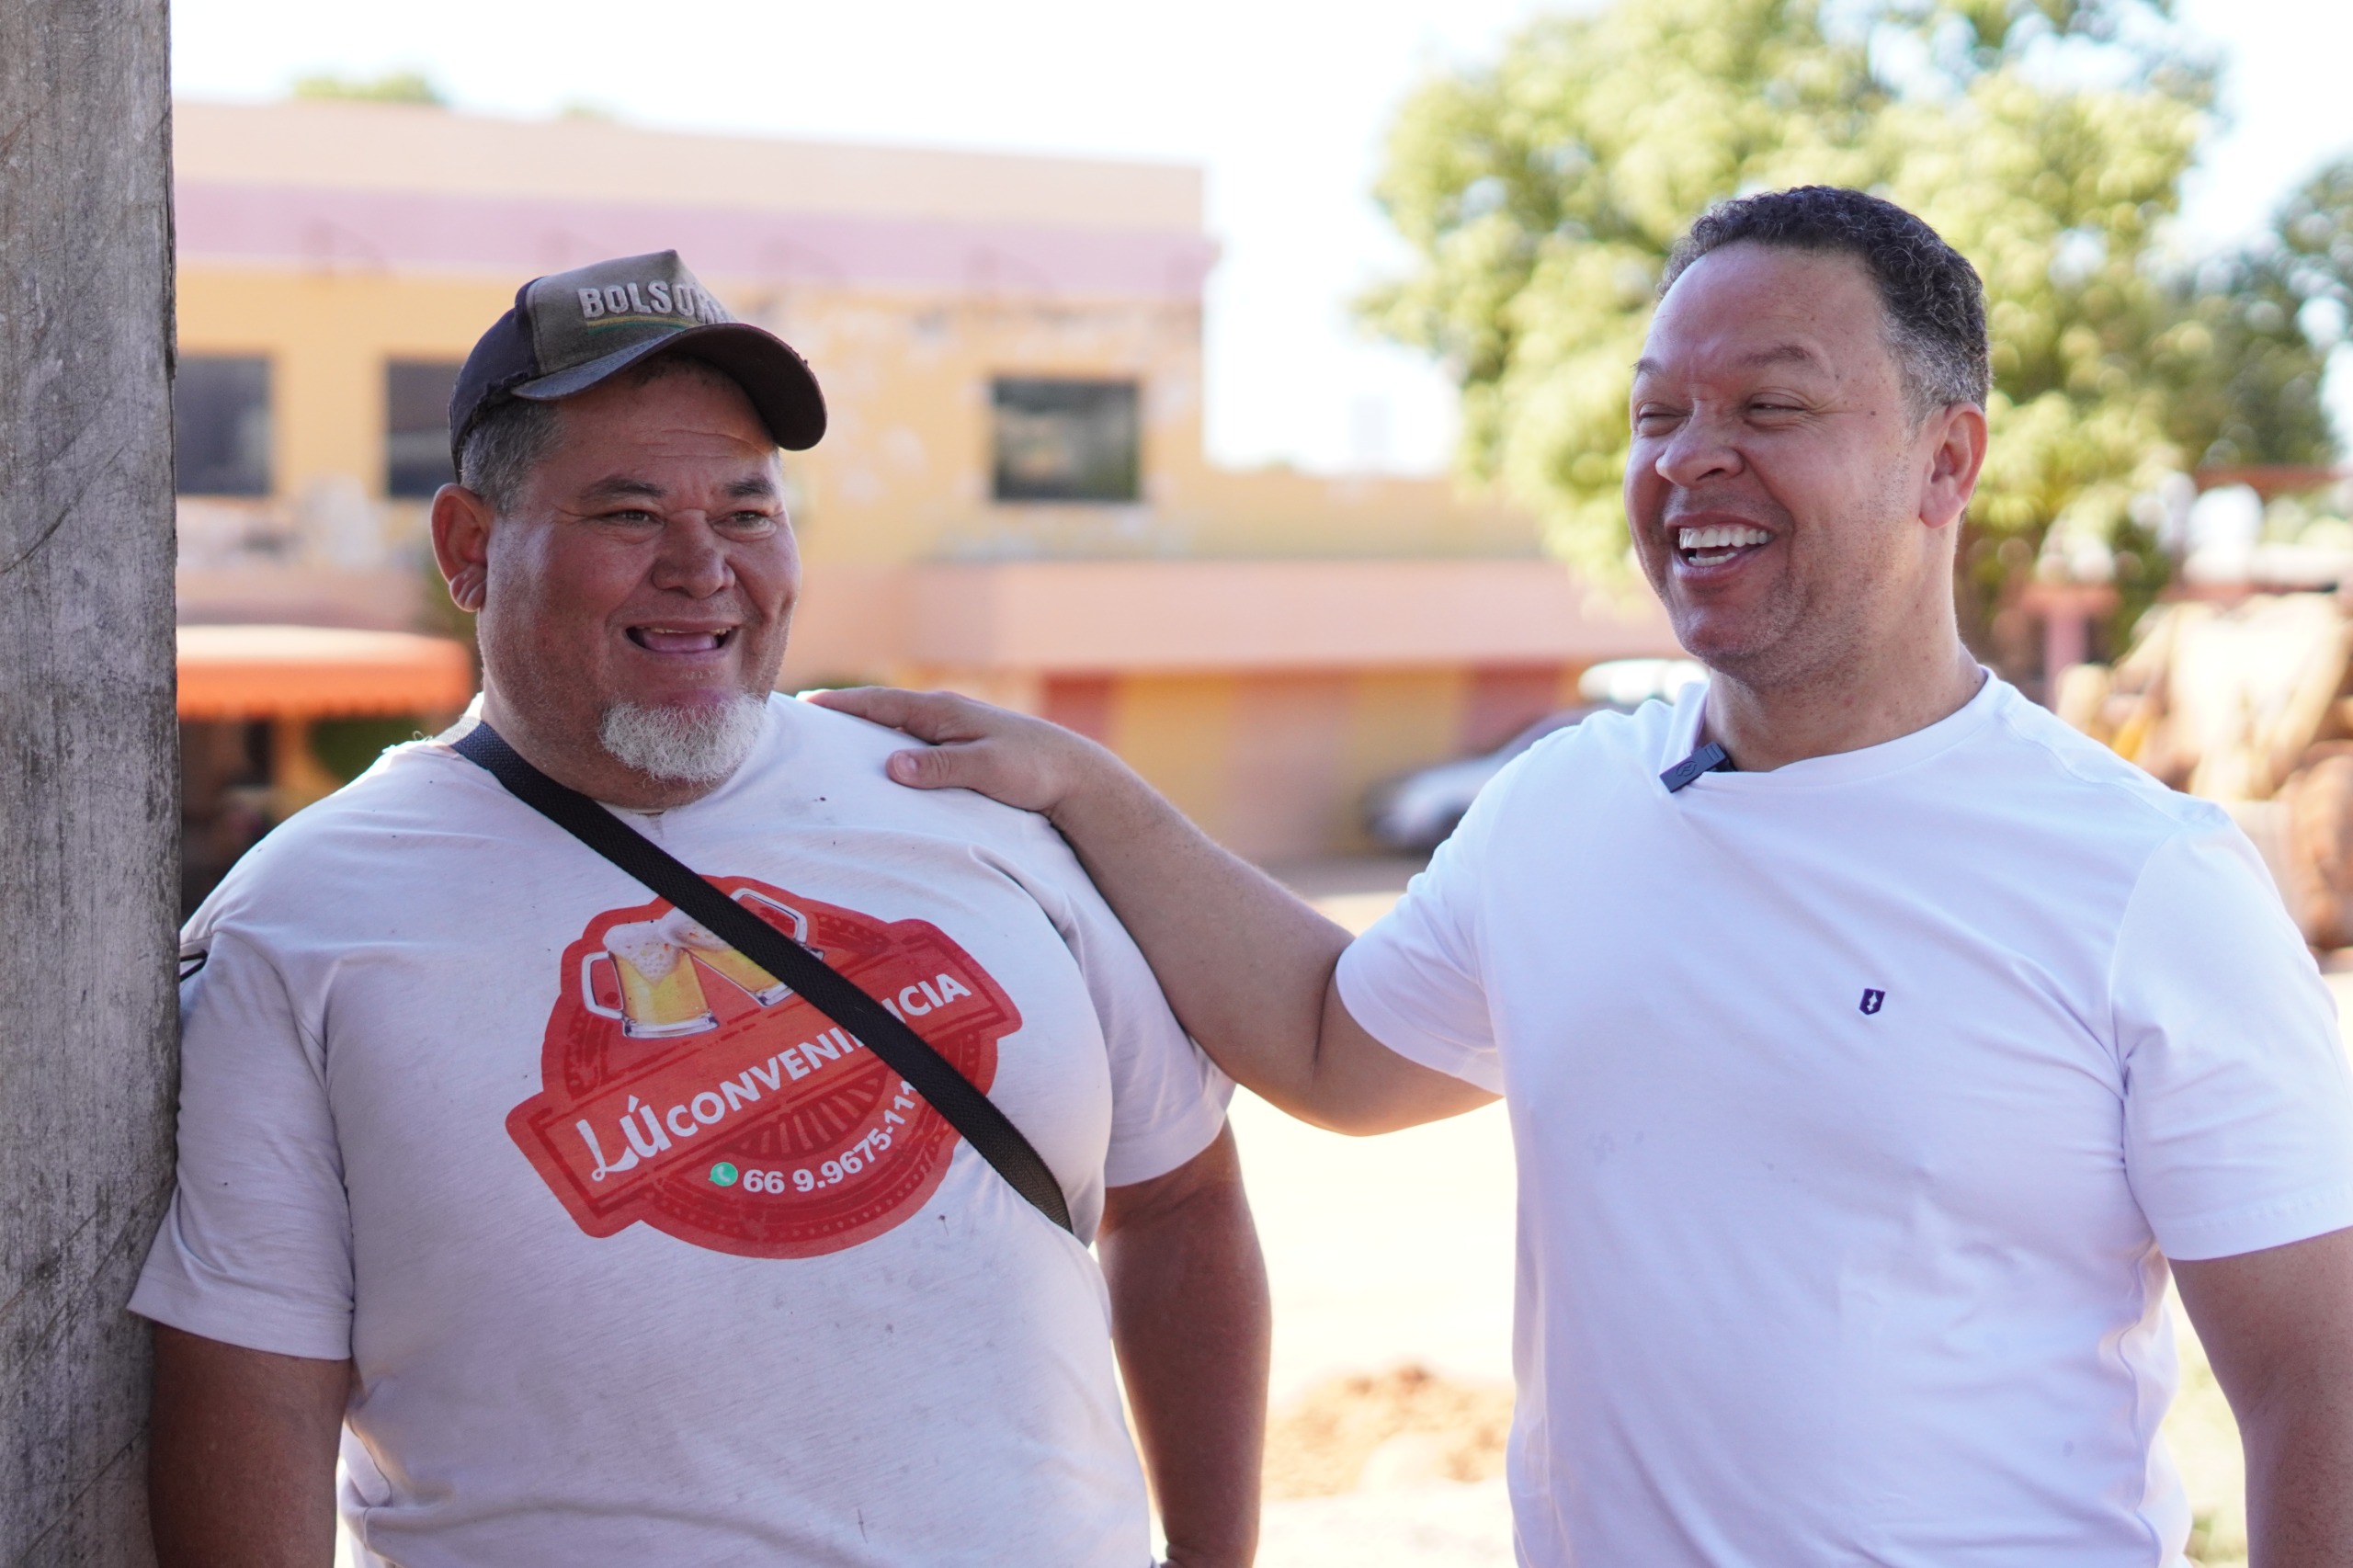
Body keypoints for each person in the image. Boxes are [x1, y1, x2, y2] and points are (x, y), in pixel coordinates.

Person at [816, 189, 2353, 1565]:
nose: (1691, 458)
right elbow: (1335, 1048)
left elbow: (2316, 1380)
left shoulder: (2144, 878)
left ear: (1944, 459)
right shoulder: (1560, 808)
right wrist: (1087, 785)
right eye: (1657, 412)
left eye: (1770, 402)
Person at [134, 250, 1268, 1568]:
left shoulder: (973, 800)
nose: (701, 567)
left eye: (745, 510)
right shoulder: (302, 920)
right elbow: (252, 1386)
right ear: (469, 546)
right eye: (626, 513)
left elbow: (1180, 1198)